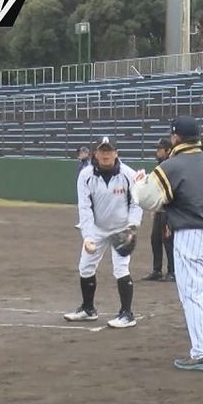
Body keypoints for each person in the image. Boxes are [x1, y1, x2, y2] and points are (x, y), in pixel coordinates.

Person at [132, 116, 203, 371]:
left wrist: (138, 186)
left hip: (190, 232)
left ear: (175, 138)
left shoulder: (170, 167)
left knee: (192, 294)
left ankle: (202, 352)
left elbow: (148, 201)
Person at [64, 141, 142, 329]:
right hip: (97, 228)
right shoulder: (86, 175)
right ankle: (88, 309)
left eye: (109, 151)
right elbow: (85, 207)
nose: (106, 155)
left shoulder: (128, 174)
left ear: (116, 153)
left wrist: (131, 228)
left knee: (121, 268)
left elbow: (136, 203)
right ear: (95, 154)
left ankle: (127, 313)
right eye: (102, 152)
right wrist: (88, 236)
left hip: (121, 228)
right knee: (85, 267)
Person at [142, 138, 176, 282]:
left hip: (169, 208)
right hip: (160, 208)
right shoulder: (161, 165)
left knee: (168, 240)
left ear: (168, 150)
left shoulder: (171, 165)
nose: (157, 152)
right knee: (155, 238)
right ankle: (157, 270)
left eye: (159, 149)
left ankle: (172, 271)